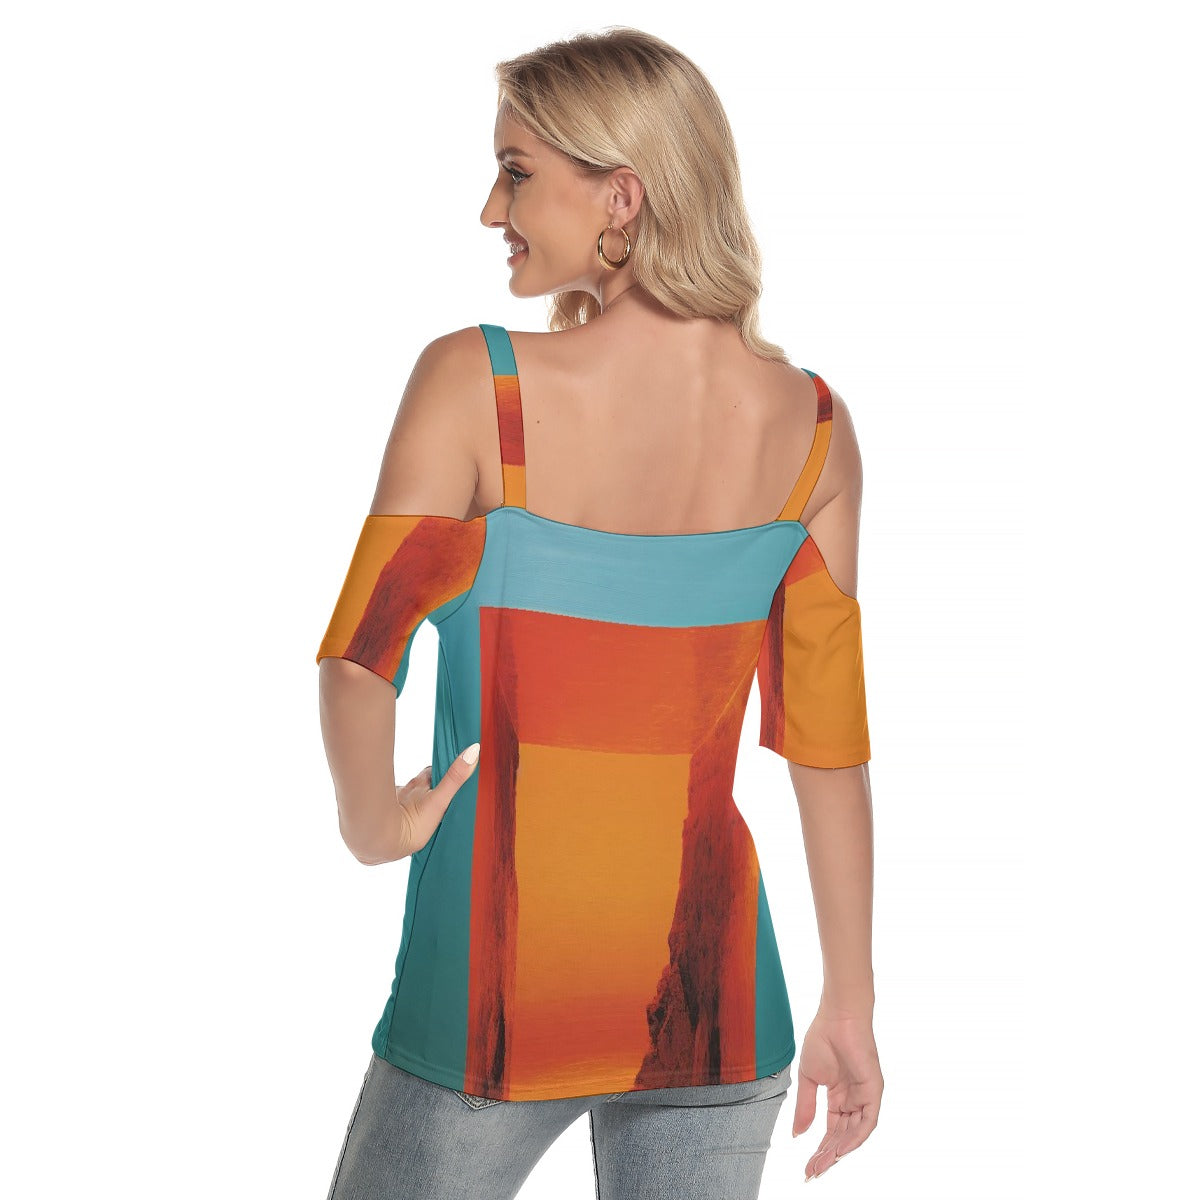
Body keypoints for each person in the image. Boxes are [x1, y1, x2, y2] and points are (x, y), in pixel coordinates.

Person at [315, 26, 883, 1200]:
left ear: (621, 197)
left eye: (517, 171)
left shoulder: (479, 386)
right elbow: (828, 748)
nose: (491, 208)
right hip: (718, 1010)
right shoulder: (815, 432)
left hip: (490, 1020)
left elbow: (363, 656)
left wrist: (374, 823)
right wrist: (851, 1004)